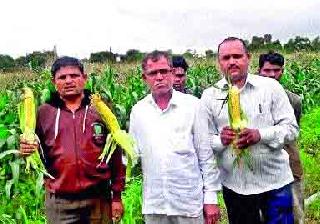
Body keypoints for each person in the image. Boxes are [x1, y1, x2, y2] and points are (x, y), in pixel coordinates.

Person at [196, 37, 299, 224]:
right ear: (219, 62)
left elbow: (291, 129)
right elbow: (203, 142)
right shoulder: (209, 96)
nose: (232, 62)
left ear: (248, 58)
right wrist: (221, 140)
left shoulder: (271, 88)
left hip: (275, 182)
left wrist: (259, 135)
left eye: (237, 56)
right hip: (235, 186)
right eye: (226, 58)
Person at [20, 56, 125, 224]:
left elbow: (116, 155)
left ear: (84, 78)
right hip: (60, 204)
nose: (69, 81)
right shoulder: (43, 113)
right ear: (53, 81)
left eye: (74, 76)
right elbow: (34, 150)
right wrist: (26, 150)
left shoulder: (101, 110)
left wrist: (117, 197)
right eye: (62, 77)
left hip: (99, 200)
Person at [129, 50, 220, 224]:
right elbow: (133, 154)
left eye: (164, 71)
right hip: (155, 204)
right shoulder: (138, 111)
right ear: (144, 78)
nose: (159, 77)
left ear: (171, 73)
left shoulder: (193, 106)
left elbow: (206, 155)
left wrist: (211, 198)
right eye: (153, 73)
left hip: (188, 202)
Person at [259, 51, 304, 224]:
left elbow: (292, 132)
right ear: (259, 71)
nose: (272, 75)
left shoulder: (294, 100)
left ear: (282, 71)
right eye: (267, 71)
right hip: (261, 168)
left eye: (276, 70)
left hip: (289, 166)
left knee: (294, 214)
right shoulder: (249, 98)